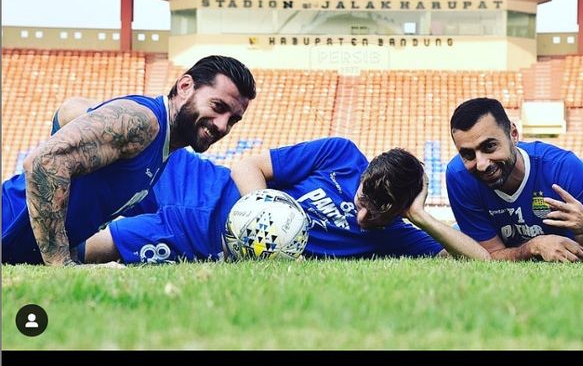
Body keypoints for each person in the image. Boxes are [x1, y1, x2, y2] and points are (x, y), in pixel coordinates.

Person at [2, 55, 256, 266]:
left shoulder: (163, 145)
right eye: (218, 106)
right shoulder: (145, 122)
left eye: (233, 119)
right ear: (185, 87)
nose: (223, 126)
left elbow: (71, 109)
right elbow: (44, 163)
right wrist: (60, 263)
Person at [81, 137, 490, 263]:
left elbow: (481, 262)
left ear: (401, 210)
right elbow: (248, 167)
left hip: (199, 237)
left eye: (378, 214)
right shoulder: (341, 155)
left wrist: (419, 216)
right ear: (363, 175)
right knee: (92, 166)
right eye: (362, 198)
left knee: (82, 250)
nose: (362, 215)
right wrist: (264, 214)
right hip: (194, 182)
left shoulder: (401, 236)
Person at [446, 97, 583, 262]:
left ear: (513, 134)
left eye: (490, 146)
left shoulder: (564, 168)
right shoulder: (459, 176)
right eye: (468, 155)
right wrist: (533, 247)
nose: (481, 165)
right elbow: (487, 257)